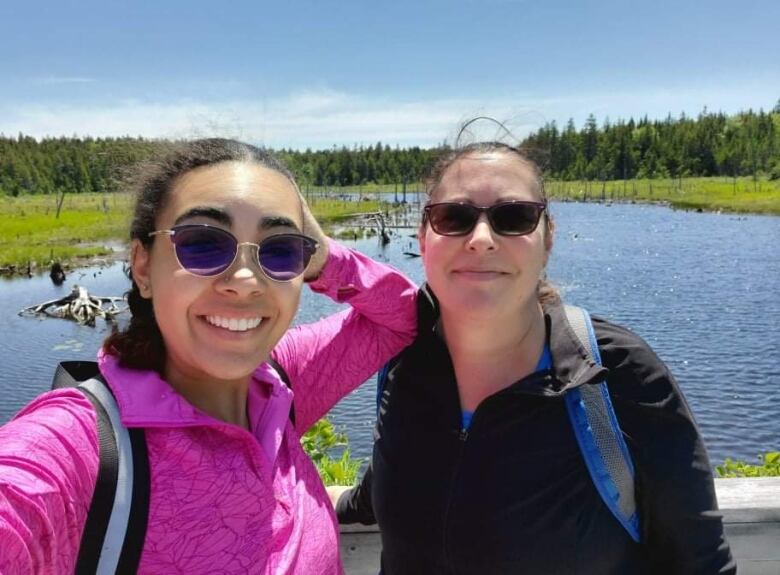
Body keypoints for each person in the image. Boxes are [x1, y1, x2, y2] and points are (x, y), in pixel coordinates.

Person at [0, 138, 417, 574]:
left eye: (280, 250)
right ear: (143, 267)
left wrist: (324, 255)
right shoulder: (82, 448)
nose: (245, 280)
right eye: (202, 244)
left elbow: (403, 315)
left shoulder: (279, 382)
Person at [333, 140, 736, 574]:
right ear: (424, 238)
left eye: (514, 217)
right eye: (454, 217)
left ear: (547, 239)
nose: (482, 239)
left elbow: (702, 564)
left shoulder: (616, 374)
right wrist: (330, 501)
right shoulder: (404, 363)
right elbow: (401, 468)